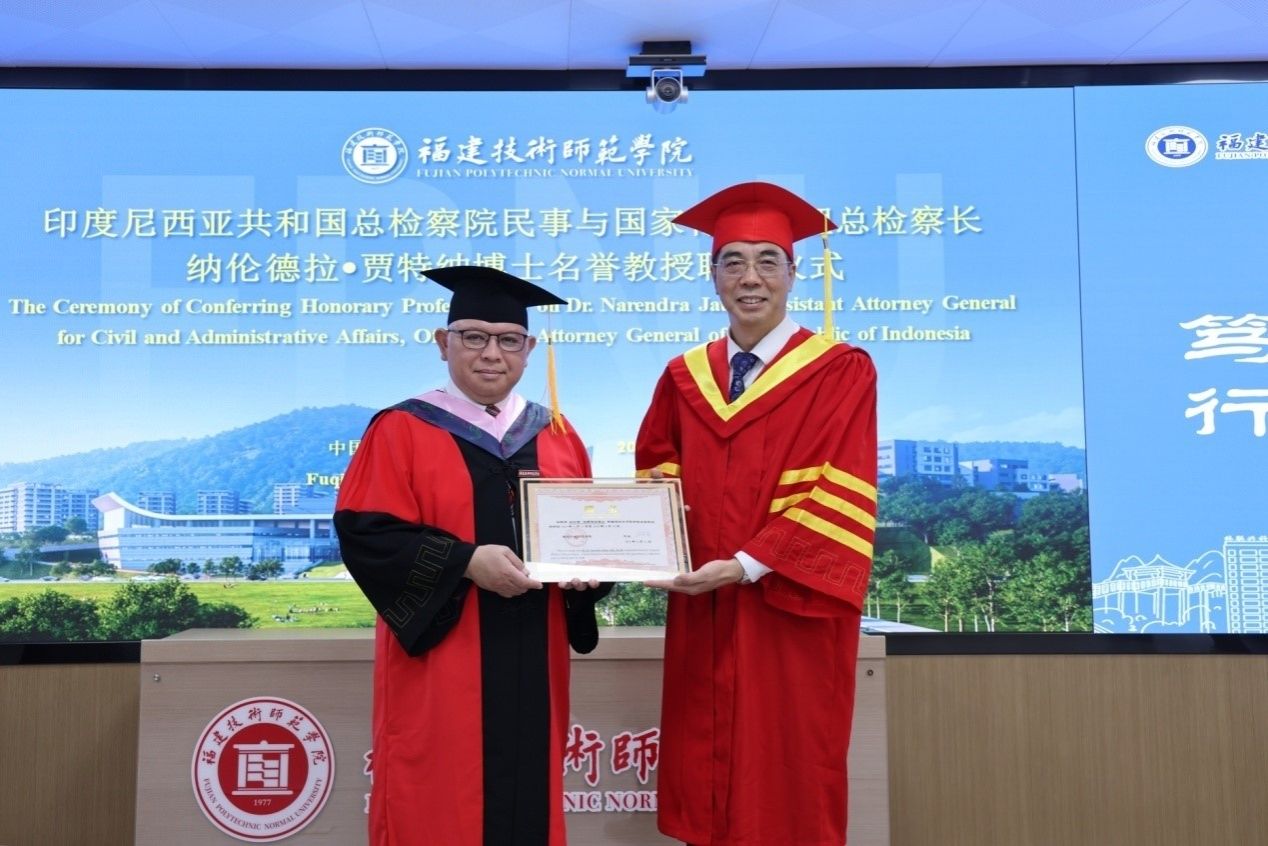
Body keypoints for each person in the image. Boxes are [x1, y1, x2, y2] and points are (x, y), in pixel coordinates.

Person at [636, 182, 878, 846]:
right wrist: (655, 550)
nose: (750, 278)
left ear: (793, 274)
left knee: (787, 771)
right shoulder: (683, 376)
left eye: (768, 260)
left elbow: (839, 486)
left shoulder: (839, 371)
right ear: (712, 274)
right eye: (733, 261)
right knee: (704, 766)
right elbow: (658, 469)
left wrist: (745, 565)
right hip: (702, 604)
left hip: (789, 604)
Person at [334, 265, 607, 846]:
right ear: (443, 343)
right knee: (438, 800)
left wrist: (590, 576)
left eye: (508, 340)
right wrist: (464, 562)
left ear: (529, 349)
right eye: (474, 337)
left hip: (535, 656)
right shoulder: (401, 429)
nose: (491, 353)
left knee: (529, 798)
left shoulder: (558, 435)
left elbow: (586, 535)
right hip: (444, 664)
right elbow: (367, 534)